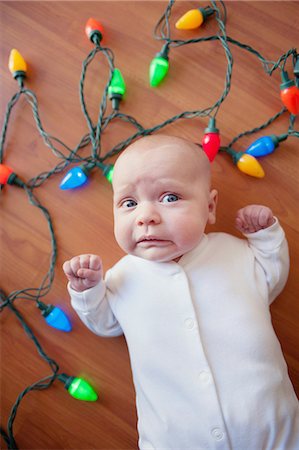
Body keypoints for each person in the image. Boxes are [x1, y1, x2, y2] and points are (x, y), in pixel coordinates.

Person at [63, 135, 299, 450]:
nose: (145, 216)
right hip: (175, 439)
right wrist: (87, 291)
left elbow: (271, 276)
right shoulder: (122, 277)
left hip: (274, 430)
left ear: (210, 207)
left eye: (170, 197)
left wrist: (266, 237)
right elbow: (105, 323)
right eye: (129, 203)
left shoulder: (234, 253)